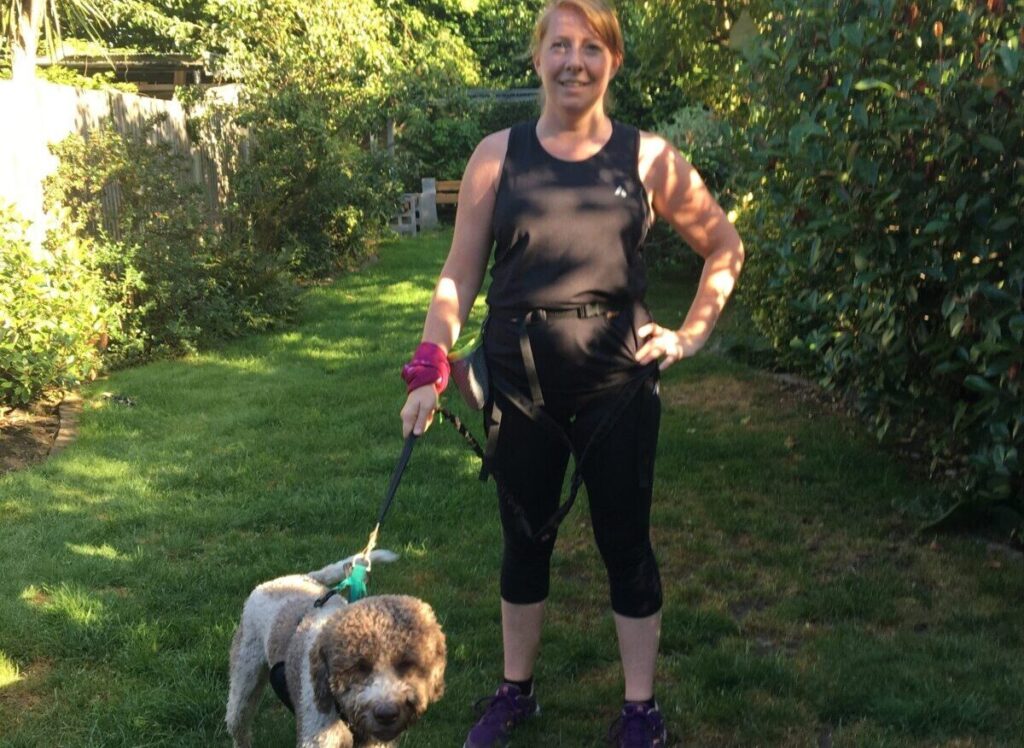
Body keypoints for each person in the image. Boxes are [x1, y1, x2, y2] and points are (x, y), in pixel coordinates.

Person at [399, 1, 744, 745]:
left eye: (592, 47)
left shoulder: (648, 158)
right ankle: (515, 692)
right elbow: (458, 276)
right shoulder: (498, 156)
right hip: (518, 384)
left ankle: (640, 710)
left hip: (618, 385)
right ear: (538, 58)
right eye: (560, 45)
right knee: (524, 540)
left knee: (627, 542)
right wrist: (429, 367)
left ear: (613, 61)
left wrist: (689, 335)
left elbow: (724, 245)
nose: (574, 61)